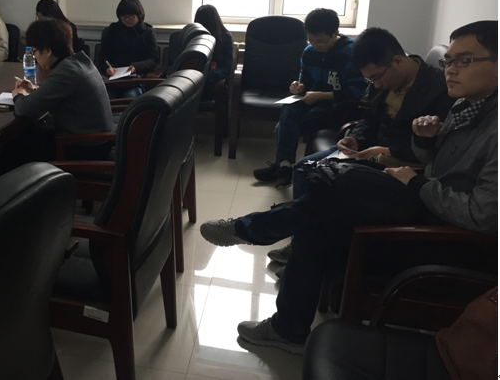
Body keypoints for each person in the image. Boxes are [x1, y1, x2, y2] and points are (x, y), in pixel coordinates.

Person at [200, 20, 498, 355]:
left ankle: (254, 234)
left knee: (326, 202)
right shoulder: (467, 105)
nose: (451, 70)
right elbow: (429, 156)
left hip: (443, 235)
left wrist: (415, 181)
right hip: (420, 198)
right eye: (449, 61)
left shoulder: (483, 120)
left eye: (464, 61)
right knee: (321, 202)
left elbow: (482, 217)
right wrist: (424, 139)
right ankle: (285, 317)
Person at [268, 28, 456, 268]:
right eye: (371, 80)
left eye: (377, 78)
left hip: (401, 163)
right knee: (304, 167)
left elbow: (434, 146)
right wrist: (355, 139)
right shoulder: (380, 79)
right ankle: (302, 243)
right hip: (367, 152)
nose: (376, 84)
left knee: (323, 182)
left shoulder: (440, 88)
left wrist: (385, 151)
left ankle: (308, 250)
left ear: (398, 61)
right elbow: (368, 118)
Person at [253, 8, 368, 187]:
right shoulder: (309, 52)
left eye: (320, 41)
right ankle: (285, 167)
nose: (315, 45)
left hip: (338, 109)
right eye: (311, 40)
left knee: (282, 128)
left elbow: (359, 91)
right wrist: (299, 86)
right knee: (288, 108)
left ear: (335, 33)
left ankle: (282, 166)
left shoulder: (351, 53)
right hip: (314, 101)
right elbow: (306, 80)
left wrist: (323, 95)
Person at [8, 19, 113, 163]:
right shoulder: (79, 61)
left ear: (48, 51)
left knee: (16, 142)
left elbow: (24, 109)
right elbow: (62, 91)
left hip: (84, 148)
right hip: (96, 140)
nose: (35, 57)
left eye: (34, 51)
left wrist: (18, 95)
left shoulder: (66, 72)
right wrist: (35, 90)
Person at [98, 0, 160, 99]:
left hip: (135, 78)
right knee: (105, 97)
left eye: (130, 17)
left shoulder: (147, 32)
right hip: (113, 78)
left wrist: (136, 67)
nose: (126, 20)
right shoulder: (113, 30)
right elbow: (103, 55)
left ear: (139, 15)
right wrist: (107, 68)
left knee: (130, 96)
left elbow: (154, 59)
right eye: (123, 17)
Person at [193, 4, 233, 97]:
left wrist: (204, 77)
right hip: (194, 77)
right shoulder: (194, 35)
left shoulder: (225, 37)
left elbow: (226, 68)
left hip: (210, 80)